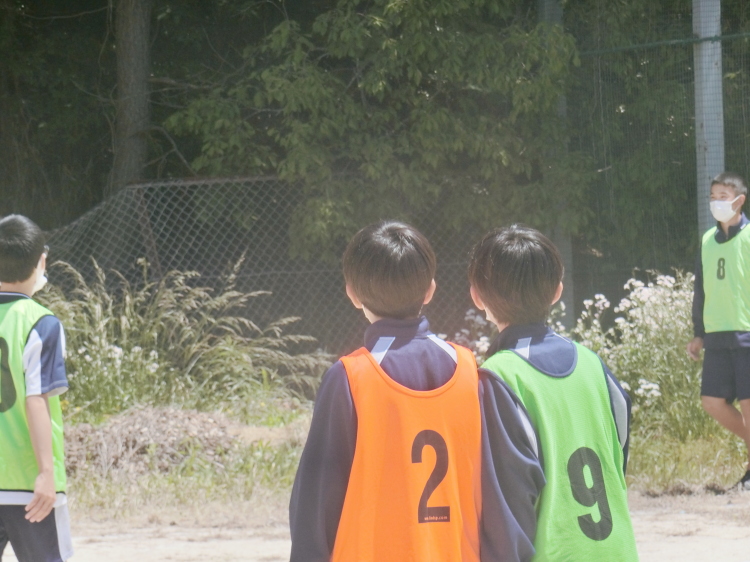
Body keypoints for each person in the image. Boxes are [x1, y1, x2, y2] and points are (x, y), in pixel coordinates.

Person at [289, 220, 545, 562]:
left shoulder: (350, 377)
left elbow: (316, 499)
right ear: (430, 290)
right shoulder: (471, 371)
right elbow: (499, 492)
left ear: (351, 293)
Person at [468, 224, 638, 562]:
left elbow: (508, 501)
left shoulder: (498, 377)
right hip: (618, 552)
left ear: (477, 297)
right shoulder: (594, 364)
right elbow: (618, 457)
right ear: (558, 291)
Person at [0, 215, 73, 562]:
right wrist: (47, 473)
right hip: (27, 485)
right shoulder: (40, 322)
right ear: (41, 262)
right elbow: (35, 401)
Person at [686, 171, 750, 489]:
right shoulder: (707, 240)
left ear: (739, 200)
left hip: (746, 334)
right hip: (716, 335)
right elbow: (701, 289)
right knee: (711, 401)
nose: (716, 203)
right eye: (712, 197)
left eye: (722, 197)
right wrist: (699, 333)